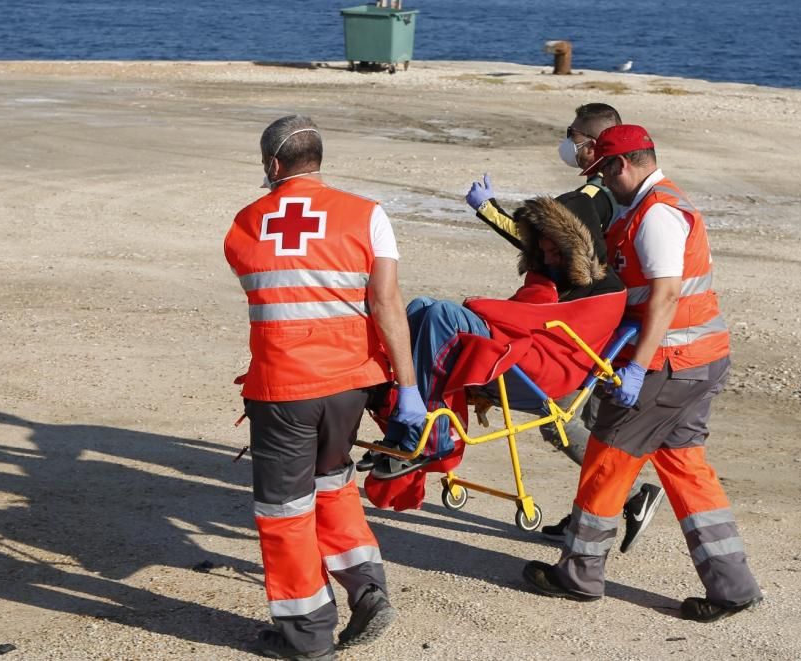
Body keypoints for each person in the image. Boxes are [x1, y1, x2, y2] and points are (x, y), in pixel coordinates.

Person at [521, 125, 763, 622]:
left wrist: (634, 368)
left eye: (605, 175)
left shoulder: (656, 216)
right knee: (686, 470)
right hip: (700, 360)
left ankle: (580, 574)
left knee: (607, 461)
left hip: (667, 366)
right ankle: (733, 588)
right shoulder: (662, 206)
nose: (605, 185)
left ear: (621, 165)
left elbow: (666, 295)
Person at [224, 115, 426, 660]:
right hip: (350, 385)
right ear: (319, 159)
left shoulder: (244, 225)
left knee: (285, 511)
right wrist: (407, 388)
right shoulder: (368, 215)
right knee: (333, 484)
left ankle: (308, 637)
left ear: (272, 166)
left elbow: (262, 282)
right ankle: (367, 592)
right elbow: (386, 305)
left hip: (284, 388)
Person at [465, 103, 665, 553]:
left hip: (590, 320)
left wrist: (488, 210)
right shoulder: (619, 193)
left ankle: (630, 499)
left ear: (594, 145)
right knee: (592, 425)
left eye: (572, 134)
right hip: (614, 319)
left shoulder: (592, 196)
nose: (566, 141)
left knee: (560, 418)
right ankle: (593, 514)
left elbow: (552, 244)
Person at [366, 191, 626, 483]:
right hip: (522, 345)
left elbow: (536, 319)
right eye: (544, 251)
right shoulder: (551, 272)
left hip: (544, 366)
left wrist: (481, 306)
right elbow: (525, 311)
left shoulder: (605, 290)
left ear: (578, 250)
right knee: (420, 307)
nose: (549, 259)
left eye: (556, 253)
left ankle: (433, 438)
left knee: (442, 315)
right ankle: (399, 427)